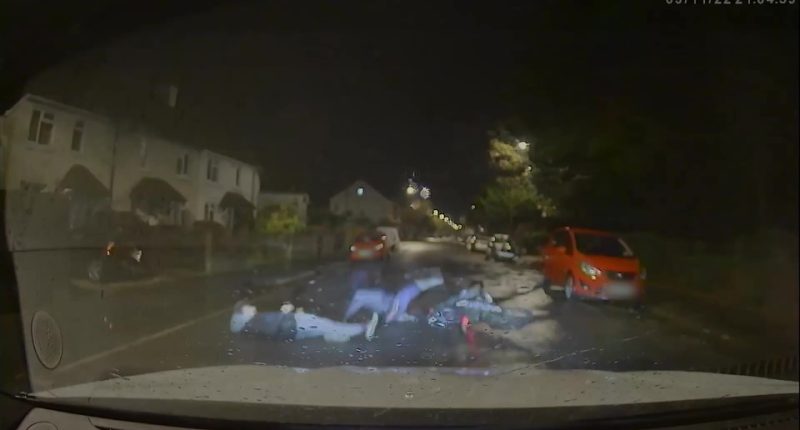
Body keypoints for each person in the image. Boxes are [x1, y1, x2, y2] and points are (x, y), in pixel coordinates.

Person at [230, 300, 378, 343]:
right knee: (327, 324)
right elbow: (272, 326)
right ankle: (363, 327)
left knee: (325, 327)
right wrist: (286, 312)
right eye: (250, 306)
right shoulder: (254, 321)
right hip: (295, 323)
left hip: (293, 329)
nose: (254, 307)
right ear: (243, 310)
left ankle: (337, 335)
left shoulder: (249, 324)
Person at [344, 267, 445, 323]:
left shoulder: (407, 314)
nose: (415, 311)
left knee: (360, 296)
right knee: (360, 295)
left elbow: (396, 314)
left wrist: (389, 316)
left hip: (384, 305)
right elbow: (402, 296)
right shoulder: (407, 296)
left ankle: (350, 319)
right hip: (385, 300)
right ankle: (348, 318)